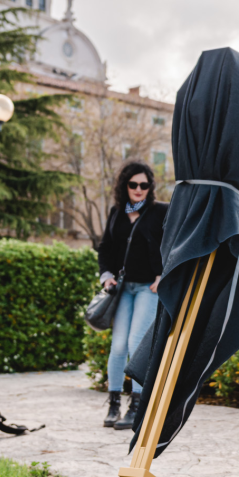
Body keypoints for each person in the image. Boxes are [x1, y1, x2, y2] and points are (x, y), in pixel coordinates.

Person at [97, 161, 168, 429]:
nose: (139, 189)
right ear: (124, 186)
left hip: (149, 288)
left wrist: (164, 274)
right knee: (118, 347)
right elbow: (105, 248)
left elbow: (173, 243)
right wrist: (106, 275)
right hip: (124, 288)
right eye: (133, 184)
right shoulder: (117, 212)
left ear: (150, 187)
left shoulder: (160, 211)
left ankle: (137, 405)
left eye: (144, 185)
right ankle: (114, 402)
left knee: (136, 343)